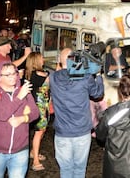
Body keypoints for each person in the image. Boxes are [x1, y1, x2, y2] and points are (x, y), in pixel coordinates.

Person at [49, 48, 104, 178]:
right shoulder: (85, 78)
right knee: (80, 169)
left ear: (59, 61)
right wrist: (98, 76)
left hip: (62, 133)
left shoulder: (52, 78)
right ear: (75, 60)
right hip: (82, 132)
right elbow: (98, 93)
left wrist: (61, 65)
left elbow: (62, 73)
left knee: (65, 169)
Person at [0, 62, 39, 177]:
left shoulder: (24, 92)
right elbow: (2, 114)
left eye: (14, 73)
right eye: (8, 74)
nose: (13, 76)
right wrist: (19, 98)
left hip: (20, 149)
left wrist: (23, 118)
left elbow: (35, 113)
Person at [25, 52, 50, 172]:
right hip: (40, 107)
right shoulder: (41, 74)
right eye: (41, 58)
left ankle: (33, 152)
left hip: (33, 106)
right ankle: (35, 161)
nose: (43, 60)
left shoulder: (29, 74)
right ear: (36, 61)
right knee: (39, 132)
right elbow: (50, 78)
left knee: (39, 131)